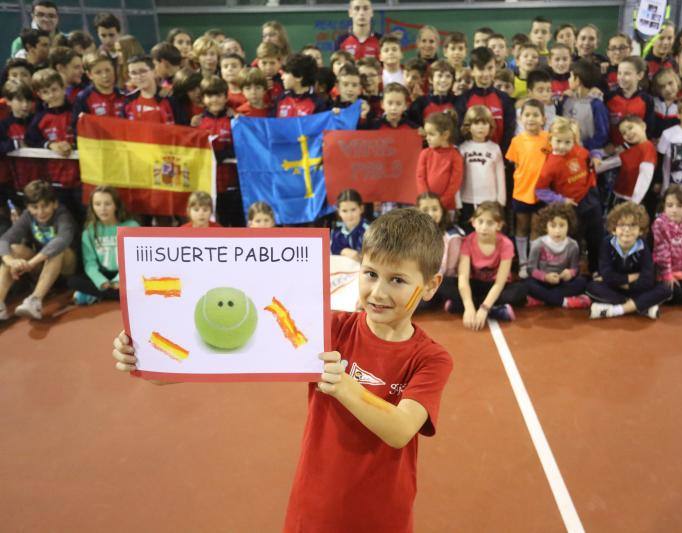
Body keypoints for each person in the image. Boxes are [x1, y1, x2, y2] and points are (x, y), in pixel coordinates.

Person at [113, 207, 453, 532]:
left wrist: (343, 385)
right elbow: (217, 360)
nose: (378, 292)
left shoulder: (430, 359)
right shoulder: (326, 329)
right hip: (315, 505)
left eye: (397, 280)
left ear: (431, 286)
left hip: (383, 515)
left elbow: (399, 430)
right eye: (371, 274)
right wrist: (143, 356)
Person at [439, 201, 526, 327]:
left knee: (521, 290)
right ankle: (496, 310)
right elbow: (463, 278)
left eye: (490, 223)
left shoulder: (506, 244)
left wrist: (484, 308)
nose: (484, 227)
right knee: (442, 283)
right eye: (480, 222)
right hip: (474, 285)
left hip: (494, 286)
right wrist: (469, 308)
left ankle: (462, 305)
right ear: (473, 222)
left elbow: (499, 283)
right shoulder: (467, 242)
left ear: (499, 225)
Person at [0, 180, 77, 321]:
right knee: (14, 249)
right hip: (41, 268)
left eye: (45, 206)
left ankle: (35, 300)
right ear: (28, 207)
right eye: (34, 207)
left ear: (54, 203)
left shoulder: (63, 215)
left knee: (57, 249)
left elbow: (61, 241)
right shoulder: (27, 216)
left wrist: (31, 263)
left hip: (66, 270)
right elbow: (4, 240)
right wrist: (11, 262)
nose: (40, 212)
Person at [536, 117, 603, 273]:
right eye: (558, 141)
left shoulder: (579, 150)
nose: (563, 146)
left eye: (567, 142)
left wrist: (596, 157)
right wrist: (560, 200)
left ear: (573, 141)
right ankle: (573, 274)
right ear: (550, 139)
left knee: (596, 239)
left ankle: (596, 271)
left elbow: (592, 152)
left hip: (591, 199)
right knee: (574, 243)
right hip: (571, 207)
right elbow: (540, 191)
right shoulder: (549, 165)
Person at [587, 201, 670, 319]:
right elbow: (607, 275)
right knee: (592, 286)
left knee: (665, 289)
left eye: (632, 226)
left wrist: (621, 283)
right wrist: (631, 278)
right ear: (613, 229)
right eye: (621, 225)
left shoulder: (643, 246)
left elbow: (647, 280)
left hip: (635, 289)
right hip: (614, 289)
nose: (627, 230)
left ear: (640, 230)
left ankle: (616, 310)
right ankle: (641, 307)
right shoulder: (607, 243)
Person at [26, 68, 82, 222]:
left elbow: (86, 133)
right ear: (39, 95)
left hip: (80, 178)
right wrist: (50, 145)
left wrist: (73, 145)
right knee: (64, 220)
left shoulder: (76, 112)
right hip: (55, 181)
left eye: (54, 89)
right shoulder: (40, 118)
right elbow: (31, 139)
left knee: (84, 218)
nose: (51, 95)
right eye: (45, 91)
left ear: (63, 87)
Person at [68, 186, 138, 305]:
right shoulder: (89, 232)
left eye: (107, 204)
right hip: (104, 273)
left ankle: (95, 294)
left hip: (127, 273)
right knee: (73, 281)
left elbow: (134, 260)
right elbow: (90, 263)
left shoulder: (131, 226)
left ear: (116, 205)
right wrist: (100, 281)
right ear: (92, 207)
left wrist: (119, 280)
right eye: (98, 204)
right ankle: (118, 295)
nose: (102, 209)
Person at [506, 99, 548, 278]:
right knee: (522, 226)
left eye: (535, 115)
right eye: (527, 115)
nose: (531, 119)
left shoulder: (549, 139)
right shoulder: (516, 141)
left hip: (543, 194)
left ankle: (533, 263)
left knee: (537, 228)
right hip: (522, 192)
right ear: (521, 119)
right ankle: (522, 262)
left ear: (543, 119)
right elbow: (516, 165)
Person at [195, 76, 243, 227]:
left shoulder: (235, 119)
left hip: (233, 182)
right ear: (203, 98)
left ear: (225, 96)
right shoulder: (198, 122)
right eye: (209, 96)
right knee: (216, 224)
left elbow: (242, 147)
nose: (214, 100)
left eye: (218, 95)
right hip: (209, 184)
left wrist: (223, 155)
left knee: (236, 224)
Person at [524, 203, 590, 309]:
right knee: (527, 284)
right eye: (553, 225)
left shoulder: (572, 245)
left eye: (562, 225)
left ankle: (543, 299)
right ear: (546, 227)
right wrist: (545, 277)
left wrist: (570, 273)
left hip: (561, 282)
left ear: (569, 226)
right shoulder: (538, 244)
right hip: (543, 282)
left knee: (581, 282)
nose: (557, 231)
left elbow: (574, 268)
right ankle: (563, 302)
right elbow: (531, 269)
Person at [455, 46, 516, 152]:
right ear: (472, 71)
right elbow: (459, 134)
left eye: (490, 68)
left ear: (495, 68)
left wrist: (503, 158)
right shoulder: (463, 100)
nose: (486, 74)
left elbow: (509, 132)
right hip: (469, 160)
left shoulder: (504, 99)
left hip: (498, 160)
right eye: (481, 69)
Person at [457, 105, 505, 227]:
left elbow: (500, 175)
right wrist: (457, 200)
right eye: (476, 123)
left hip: (490, 200)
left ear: (490, 126)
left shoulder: (495, 148)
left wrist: (501, 200)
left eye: (485, 123)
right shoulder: (463, 148)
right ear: (469, 126)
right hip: (468, 199)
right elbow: (458, 177)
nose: (481, 127)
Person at [561, 59, 609, 155]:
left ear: (577, 80)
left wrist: (583, 145)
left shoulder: (596, 104)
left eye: (570, 76)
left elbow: (602, 134)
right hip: (565, 151)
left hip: (586, 153)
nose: (568, 80)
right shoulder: (566, 100)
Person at [416, 112, 462, 212]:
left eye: (431, 134)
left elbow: (454, 183)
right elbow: (420, 178)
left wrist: (441, 202)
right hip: (426, 206)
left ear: (445, 135)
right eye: (426, 134)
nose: (427, 138)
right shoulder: (424, 154)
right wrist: (426, 200)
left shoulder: (455, 156)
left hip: (447, 206)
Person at [605, 56, 653, 147]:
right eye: (619, 73)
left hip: (636, 151)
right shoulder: (608, 97)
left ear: (640, 75)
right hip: (612, 149)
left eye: (627, 74)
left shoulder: (647, 100)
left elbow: (649, 130)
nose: (621, 77)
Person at [608, 115, 657, 206]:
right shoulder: (632, 148)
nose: (628, 134)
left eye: (630, 128)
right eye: (624, 133)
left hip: (630, 201)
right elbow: (613, 162)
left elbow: (645, 177)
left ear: (643, 126)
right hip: (619, 196)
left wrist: (634, 202)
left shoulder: (647, 148)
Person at [72, 52, 125, 128]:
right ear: (89, 75)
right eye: (98, 72)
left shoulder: (125, 95)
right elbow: (78, 128)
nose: (105, 75)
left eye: (108, 70)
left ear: (114, 69)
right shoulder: (83, 98)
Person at [122, 55, 174, 124]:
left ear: (154, 72)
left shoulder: (169, 97)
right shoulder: (128, 100)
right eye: (133, 73)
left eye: (143, 71)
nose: (139, 76)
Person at [408, 60, 456, 125]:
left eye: (448, 76)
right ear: (430, 79)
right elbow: (412, 124)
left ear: (452, 80)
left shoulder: (458, 102)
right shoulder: (420, 103)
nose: (443, 80)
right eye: (440, 76)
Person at [331, 189, 368, 260]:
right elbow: (333, 250)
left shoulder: (370, 231)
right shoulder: (336, 232)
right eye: (344, 211)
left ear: (361, 208)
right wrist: (343, 251)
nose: (349, 215)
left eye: (353, 209)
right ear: (338, 211)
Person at [651, 67, 681, 139]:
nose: (667, 89)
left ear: (677, 81)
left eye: (670, 83)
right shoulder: (653, 102)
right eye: (662, 86)